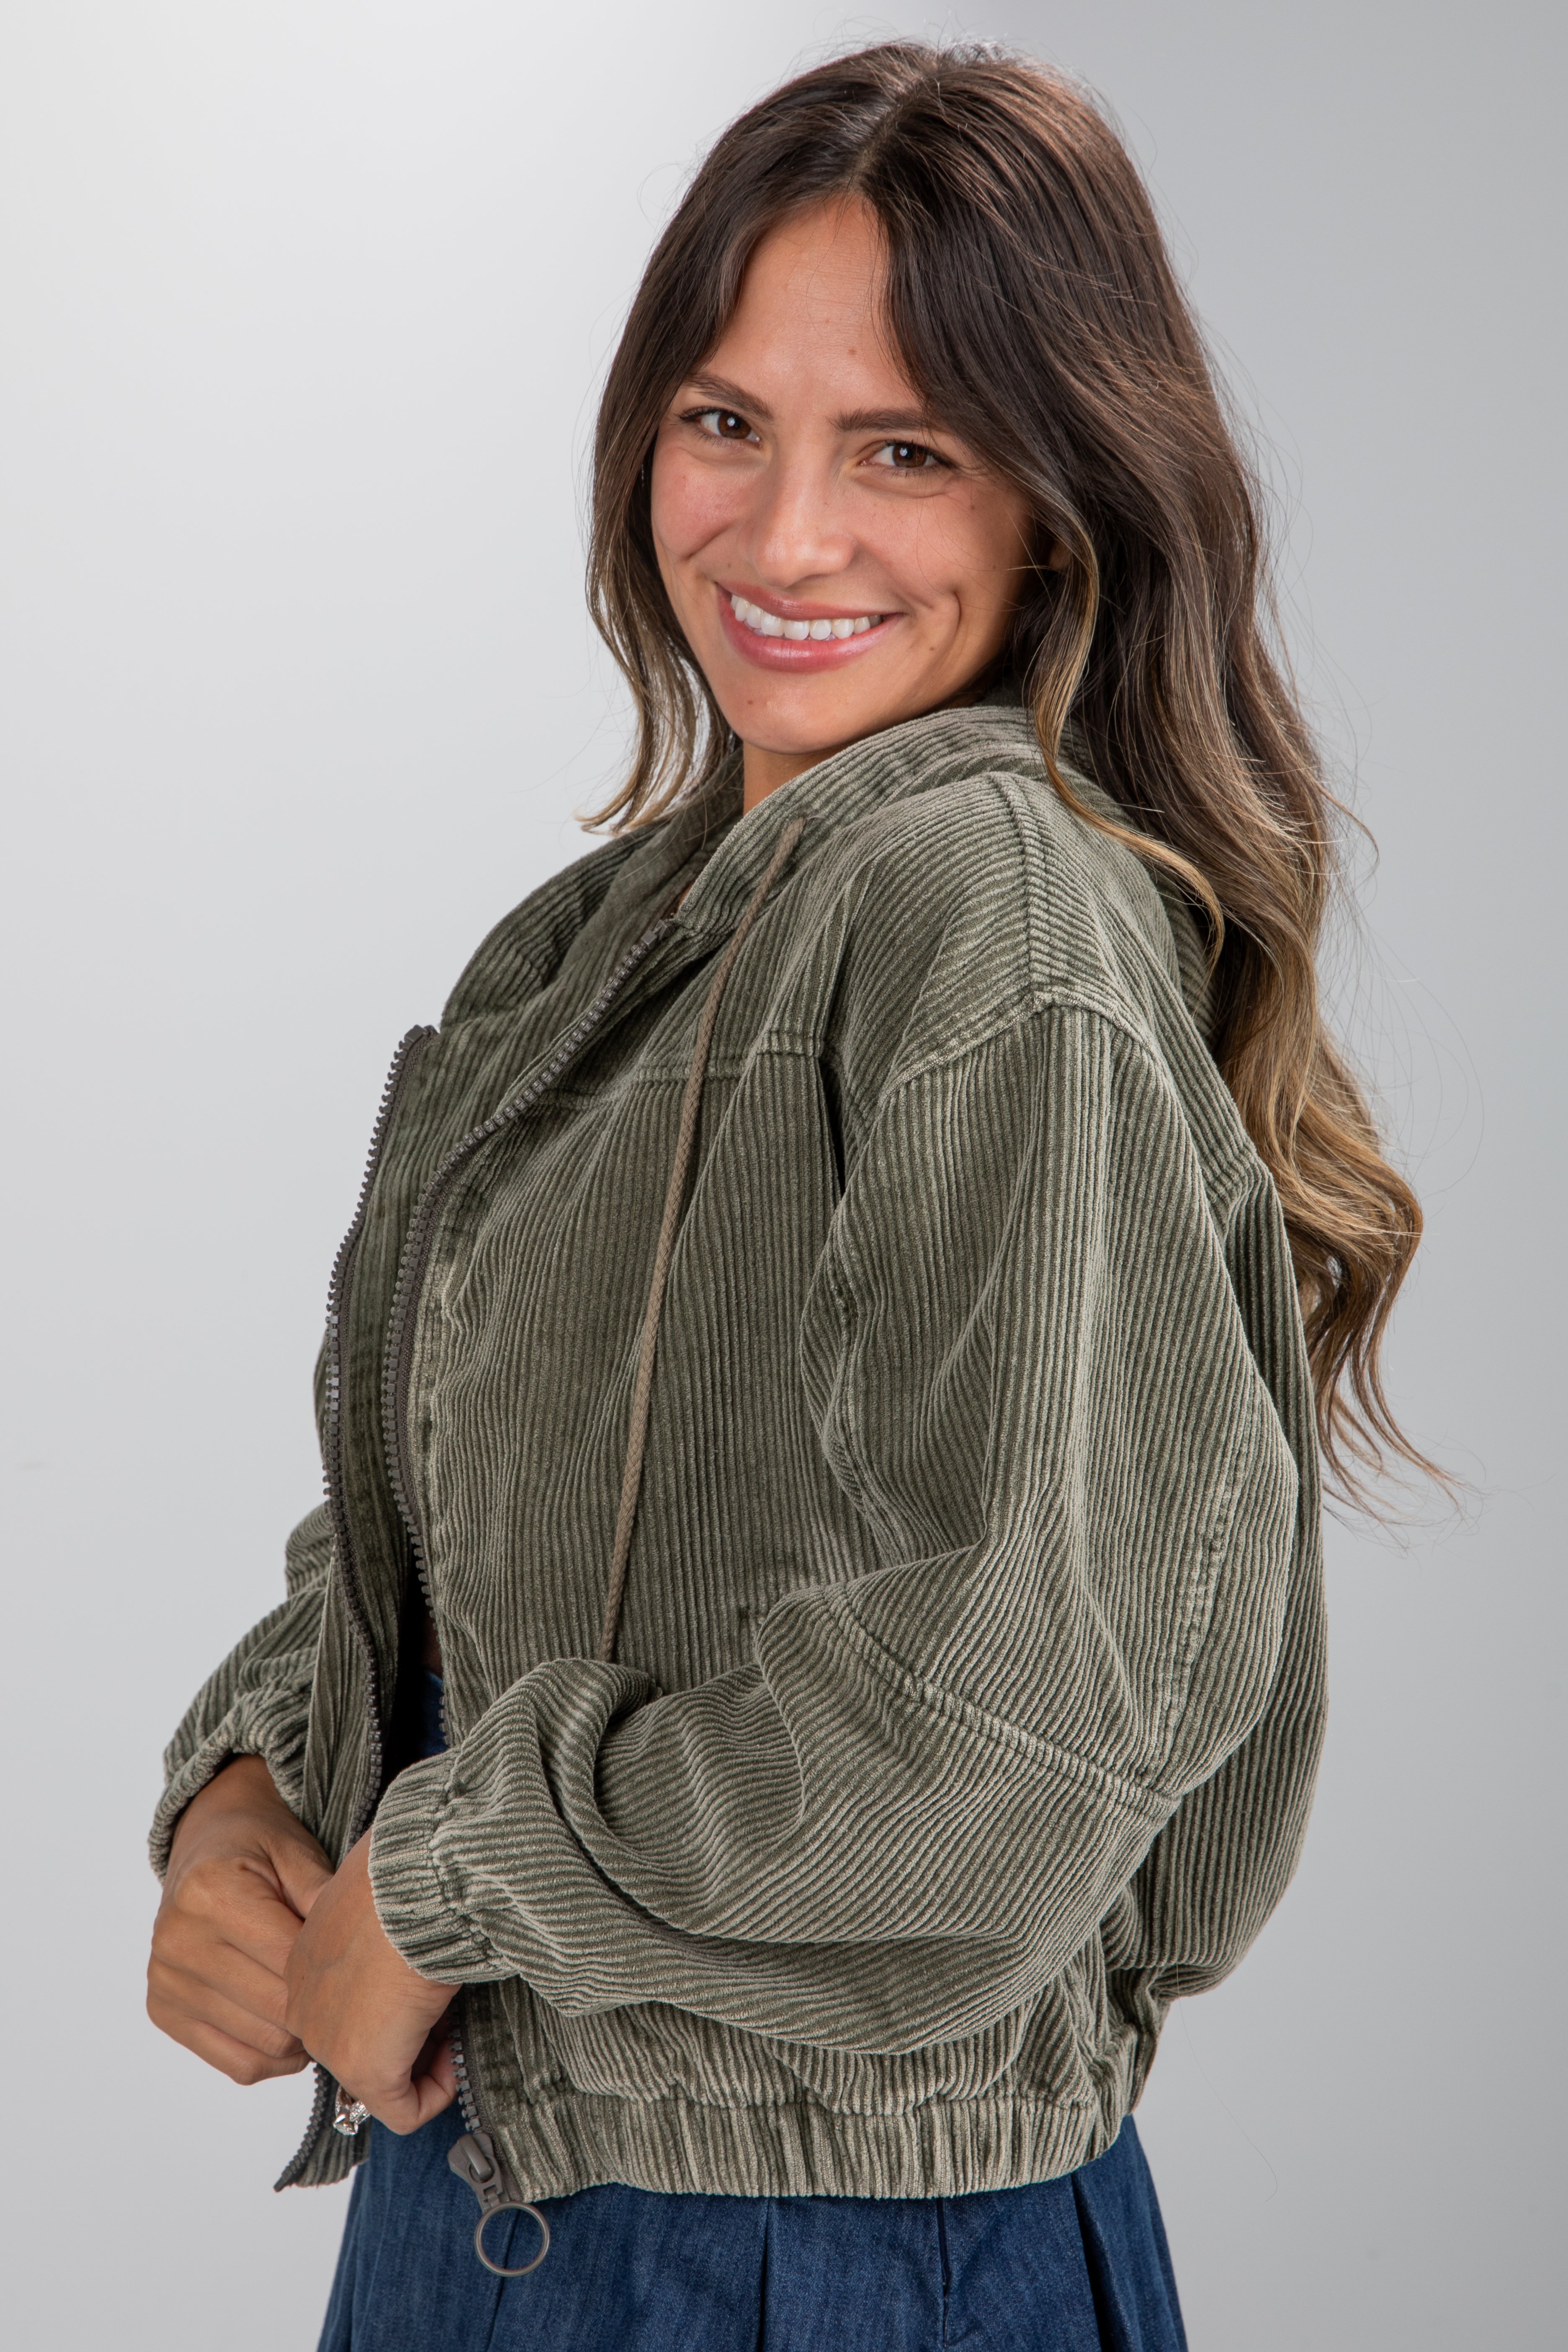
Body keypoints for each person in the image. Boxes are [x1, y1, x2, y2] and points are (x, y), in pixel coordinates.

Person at [145, 42, 1428, 2350]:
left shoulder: (985, 913)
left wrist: (444, 1868)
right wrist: (253, 1793)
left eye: (905, 450)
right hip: (489, 2209)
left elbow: (1004, 1729)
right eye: (724, 420)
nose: (786, 533)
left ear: (1059, 502)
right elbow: (439, 1528)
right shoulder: (609, 939)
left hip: (824, 2258)